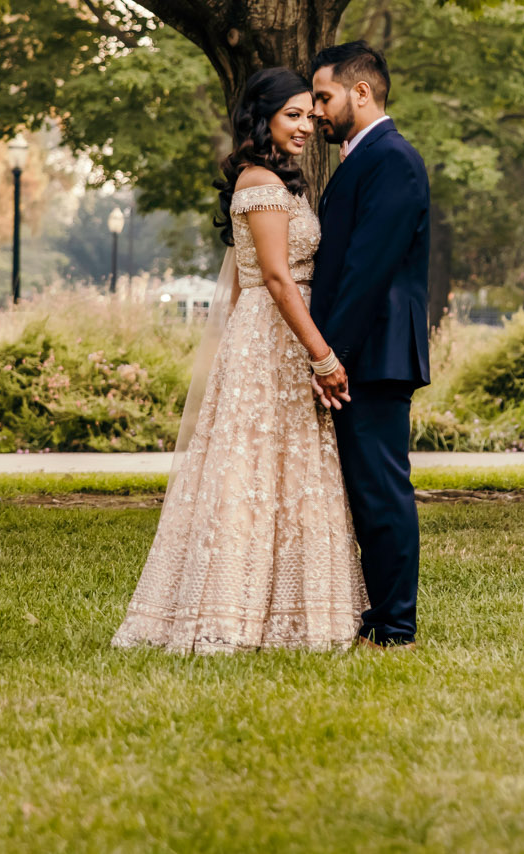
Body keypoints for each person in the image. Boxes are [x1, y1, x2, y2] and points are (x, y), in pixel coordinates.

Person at [111, 68, 366, 653]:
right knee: (252, 471)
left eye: (309, 114)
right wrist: (323, 357)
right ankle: (229, 609)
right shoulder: (260, 182)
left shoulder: (280, 182)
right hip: (275, 333)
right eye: (292, 115)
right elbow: (276, 279)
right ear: (263, 119)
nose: (305, 126)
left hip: (279, 330)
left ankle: (293, 610)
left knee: (286, 469)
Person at [309, 41, 432, 649]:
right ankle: (376, 615)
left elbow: (367, 270)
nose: (316, 112)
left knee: (382, 492)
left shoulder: (393, 160)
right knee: (364, 491)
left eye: (324, 97)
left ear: (361, 92)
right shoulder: (362, 158)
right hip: (360, 353)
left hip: (374, 356)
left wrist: (333, 358)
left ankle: (397, 626)